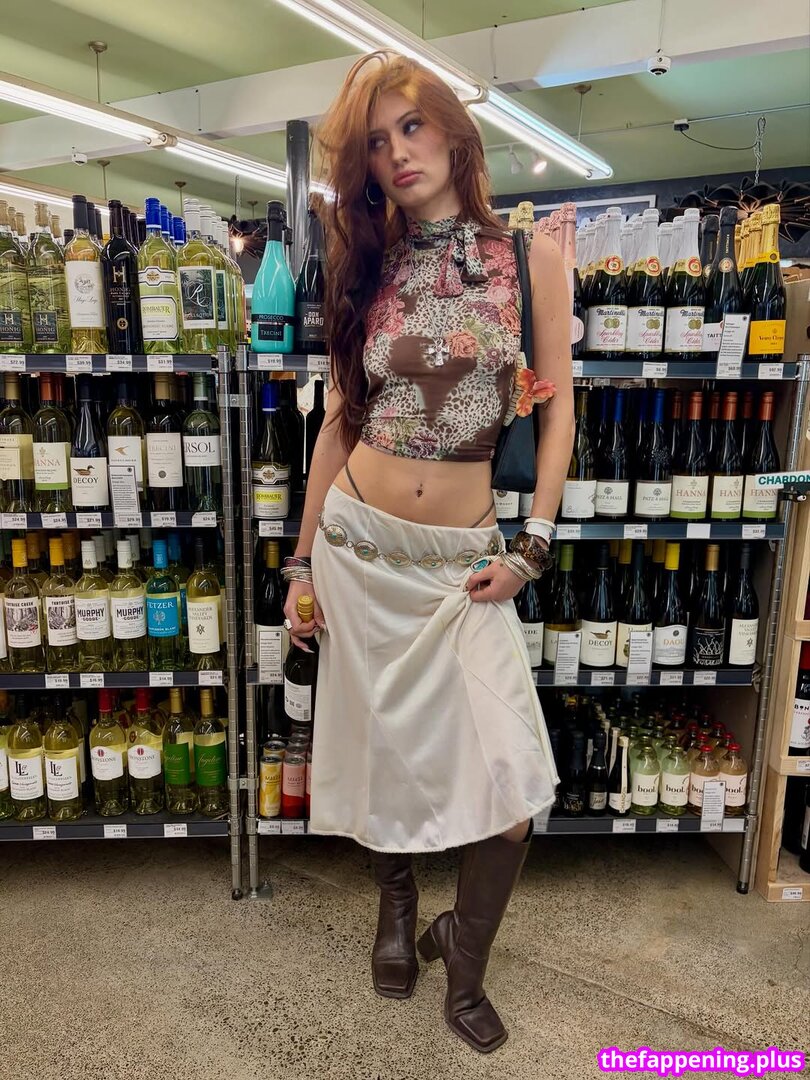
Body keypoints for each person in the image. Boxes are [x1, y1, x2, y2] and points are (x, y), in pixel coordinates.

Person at [282, 51, 574, 1054]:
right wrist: (302, 562)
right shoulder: (368, 263)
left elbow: (559, 409)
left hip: (461, 568)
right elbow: (337, 421)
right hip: (360, 546)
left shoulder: (527, 258)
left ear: (453, 129)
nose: (397, 153)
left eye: (412, 126)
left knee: (515, 787)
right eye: (376, 141)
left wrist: (534, 543)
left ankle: (464, 953)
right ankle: (398, 907)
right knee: (382, 758)